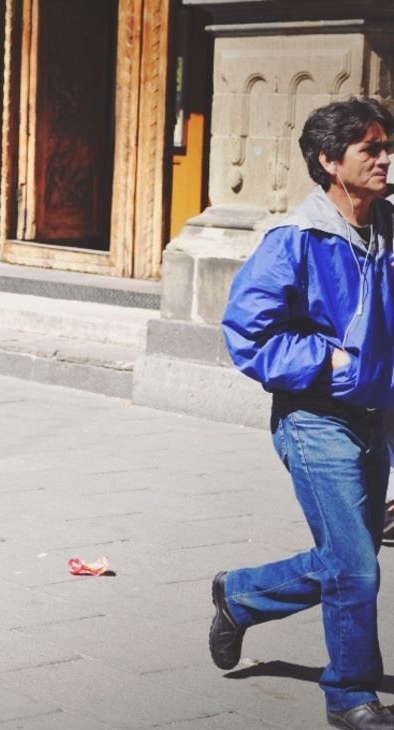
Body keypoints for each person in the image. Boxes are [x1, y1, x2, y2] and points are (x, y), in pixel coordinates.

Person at [216, 98, 394, 730]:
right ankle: (350, 696)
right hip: (315, 419)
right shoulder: (294, 239)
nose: (384, 158)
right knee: (355, 566)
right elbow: (246, 335)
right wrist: (333, 364)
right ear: (328, 160)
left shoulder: (389, 228)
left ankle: (240, 594)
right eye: (369, 149)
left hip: (378, 420)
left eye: (385, 145)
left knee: (352, 563)